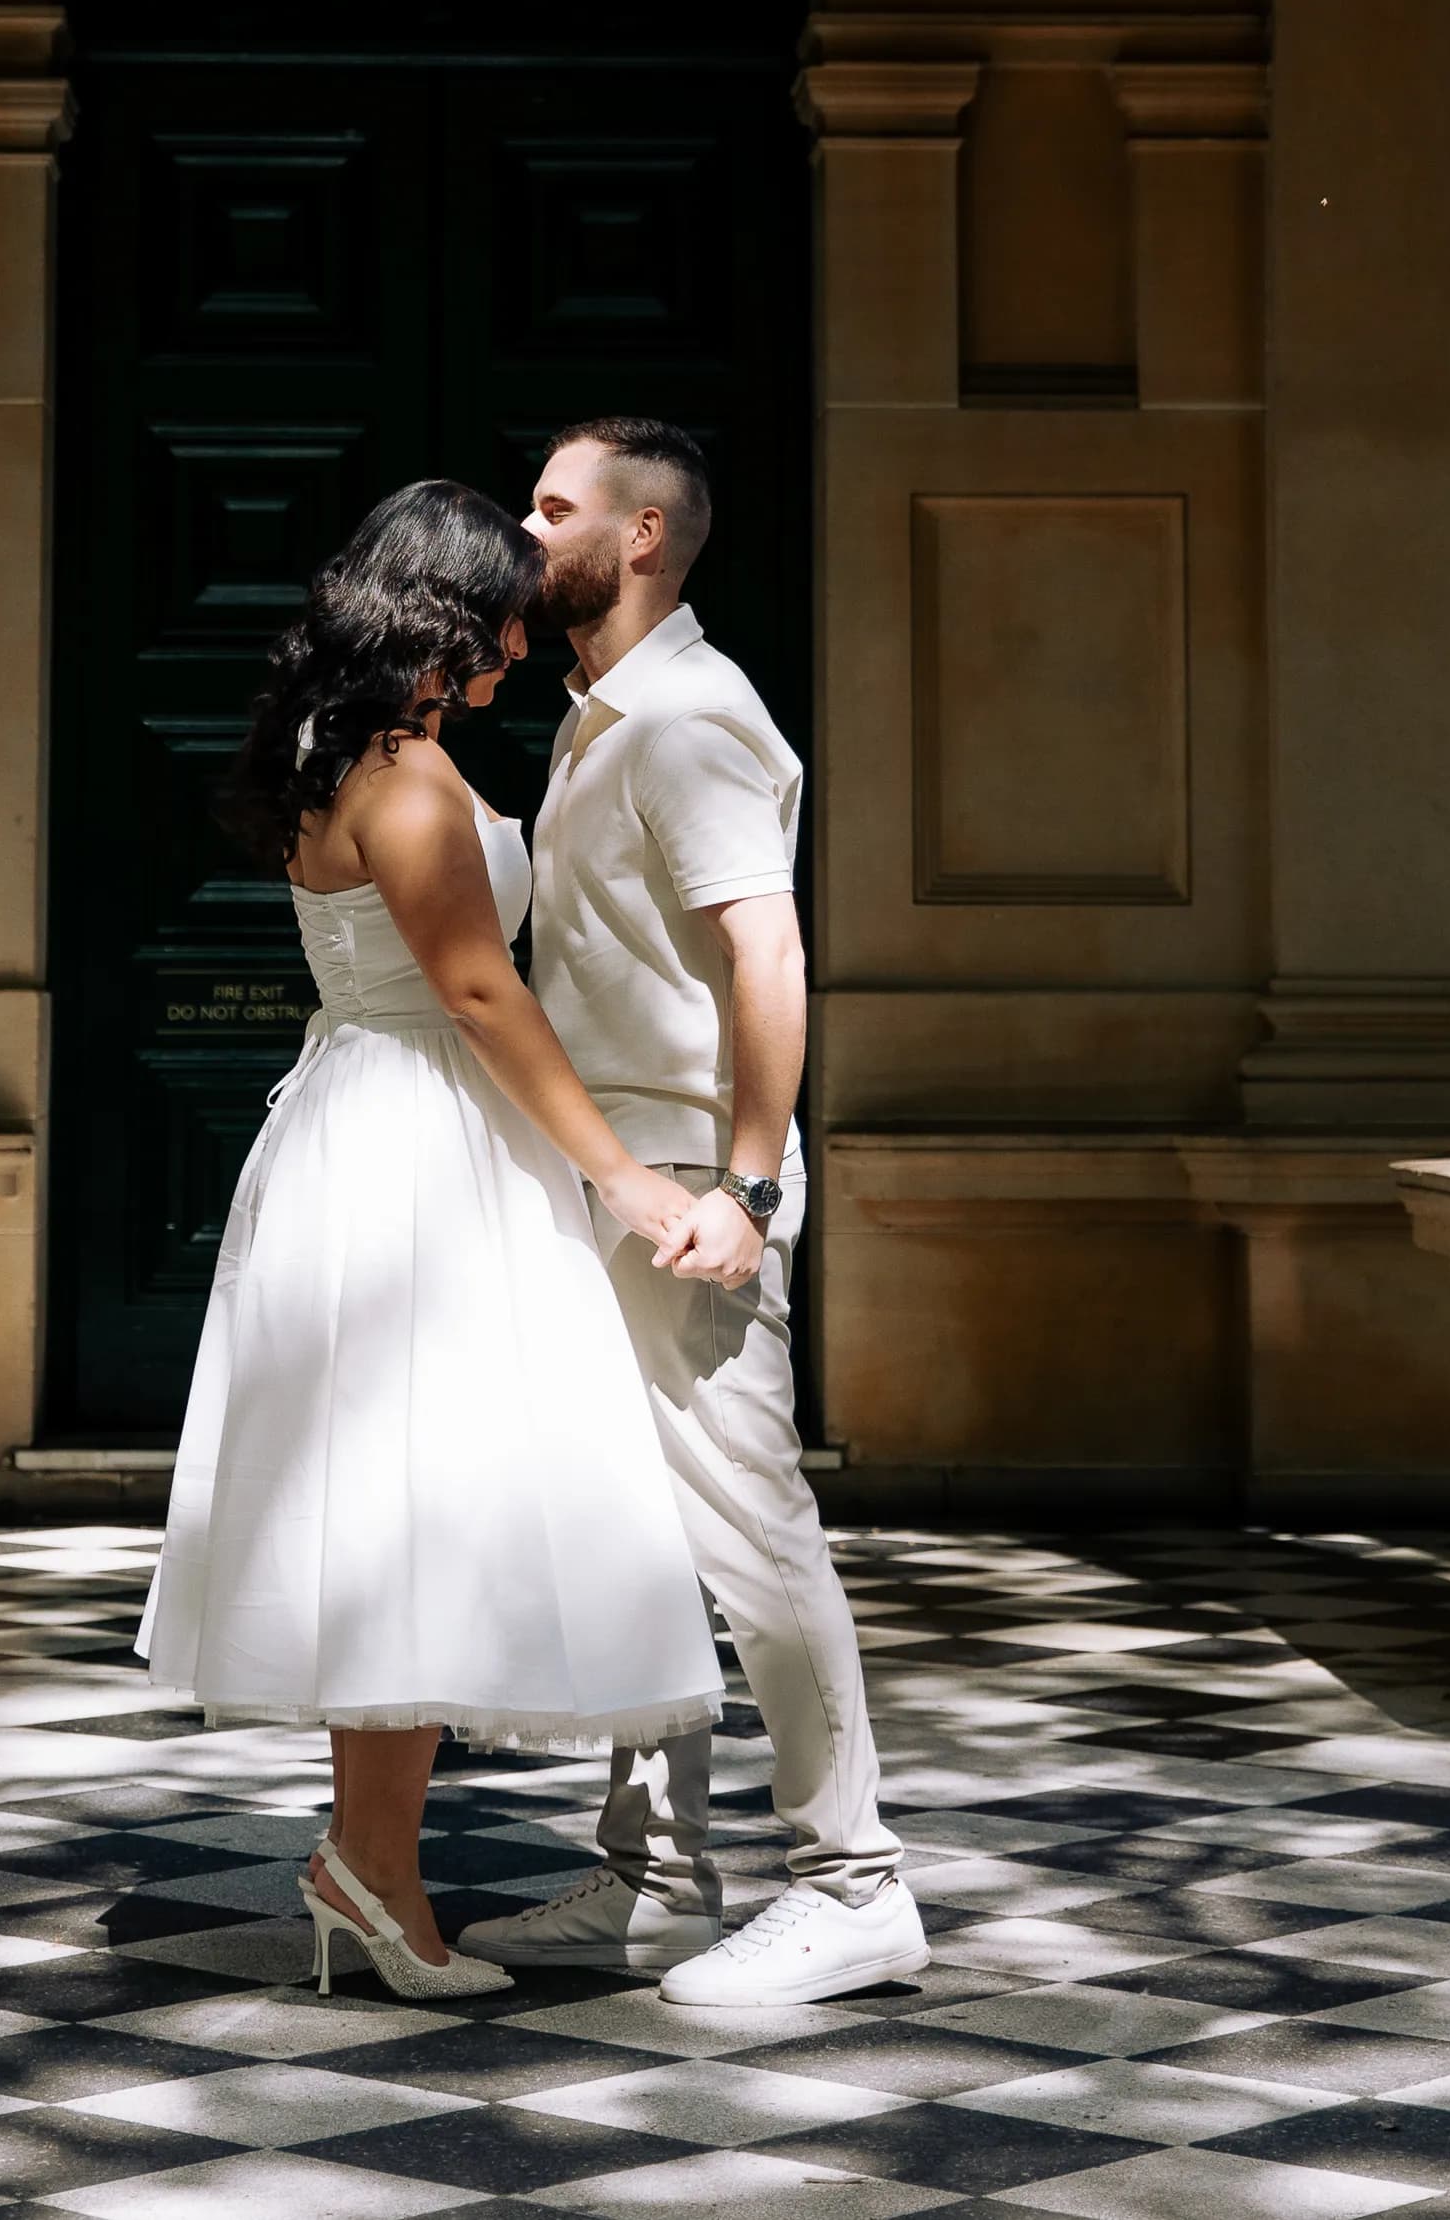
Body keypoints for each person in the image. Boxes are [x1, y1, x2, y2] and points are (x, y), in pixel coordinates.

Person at [133, 478, 725, 2003]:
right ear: (442, 619)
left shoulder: (353, 753)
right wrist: (623, 1178)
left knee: (409, 1510)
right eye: (503, 628)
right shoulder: (401, 777)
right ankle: (372, 1869)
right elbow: (477, 990)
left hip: (380, 1122)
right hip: (418, 1142)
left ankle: (368, 1865)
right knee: (415, 1505)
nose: (521, 653)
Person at [462, 417, 929, 2008]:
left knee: (752, 1536)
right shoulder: (604, 718)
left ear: (644, 534)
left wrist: (746, 1182)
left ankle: (855, 1881)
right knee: (640, 1538)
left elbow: (767, 956)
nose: (525, 534)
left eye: (553, 508)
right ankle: (655, 1878)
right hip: (617, 1184)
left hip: (684, 1198)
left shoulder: (689, 720)